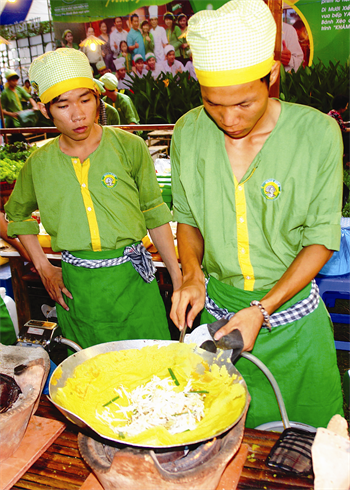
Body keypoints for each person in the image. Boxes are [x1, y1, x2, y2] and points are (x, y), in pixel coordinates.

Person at [170, 0, 343, 429]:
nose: (229, 119)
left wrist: (261, 310)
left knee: (307, 449)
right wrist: (191, 274)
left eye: (244, 103)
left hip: (292, 322)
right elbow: (188, 219)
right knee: (225, 440)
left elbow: (321, 238)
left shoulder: (317, 134)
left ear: (273, 77)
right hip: (220, 318)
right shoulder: (188, 132)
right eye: (213, 104)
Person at [5, 48, 181, 350]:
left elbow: (154, 212)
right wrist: (44, 268)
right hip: (78, 291)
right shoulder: (40, 163)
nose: (78, 114)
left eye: (86, 100)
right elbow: (17, 216)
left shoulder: (129, 147)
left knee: (151, 372)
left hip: (134, 285)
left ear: (97, 100)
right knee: (89, 377)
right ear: (46, 111)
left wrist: (179, 280)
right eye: (63, 105)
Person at [328, 94, 350, 166]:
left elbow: (341, 124)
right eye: (346, 106)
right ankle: (348, 162)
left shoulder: (332, 112)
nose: (346, 108)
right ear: (341, 107)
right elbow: (344, 129)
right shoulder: (337, 115)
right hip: (336, 138)